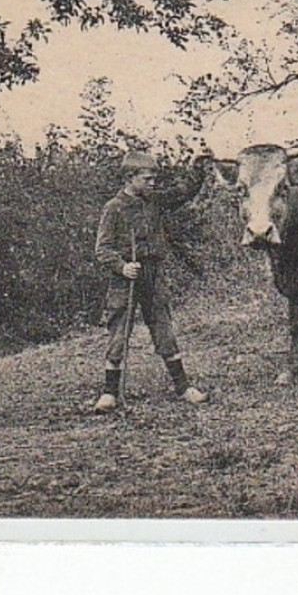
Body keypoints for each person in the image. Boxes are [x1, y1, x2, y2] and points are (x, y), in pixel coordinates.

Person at [92, 149, 210, 412]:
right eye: (147, 178)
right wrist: (122, 267)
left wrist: (198, 167)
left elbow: (183, 192)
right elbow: (102, 249)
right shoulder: (114, 208)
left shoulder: (154, 201)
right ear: (130, 178)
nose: (152, 183)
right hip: (125, 279)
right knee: (119, 332)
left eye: (154, 177)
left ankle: (183, 387)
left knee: (163, 329)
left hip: (153, 275)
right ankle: (110, 393)